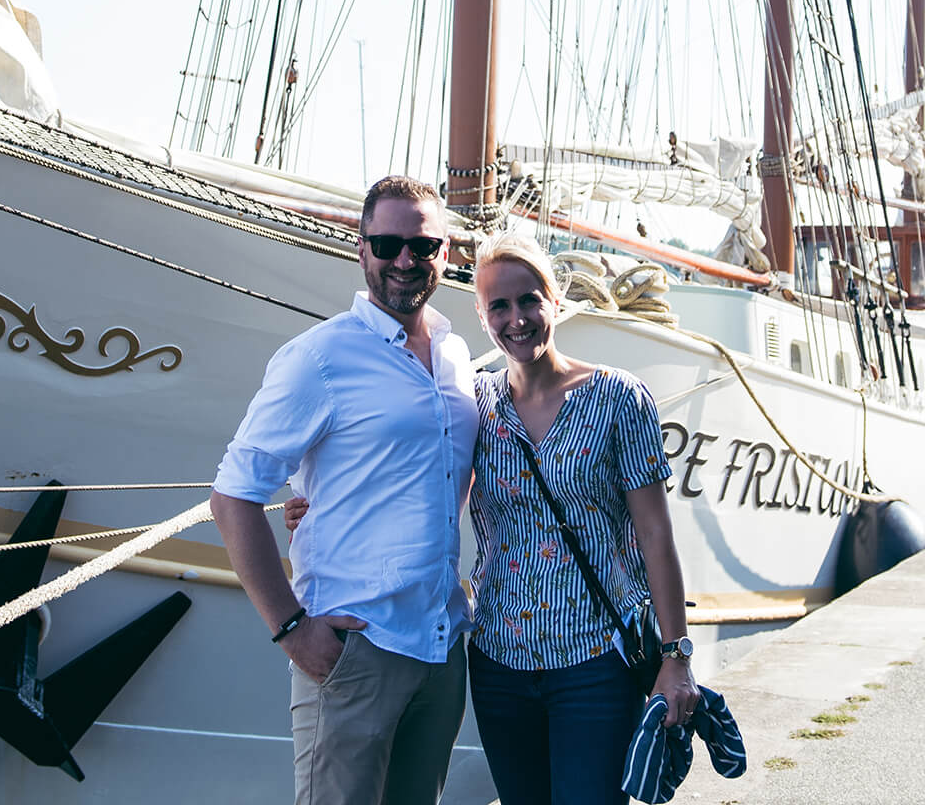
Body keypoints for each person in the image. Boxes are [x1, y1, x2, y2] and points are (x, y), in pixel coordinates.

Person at [289, 233, 700, 805]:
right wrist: (325, 507)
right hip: (499, 660)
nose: (517, 319)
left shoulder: (618, 397)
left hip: (594, 662)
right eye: (499, 307)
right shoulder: (475, 402)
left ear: (555, 302)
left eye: (529, 300)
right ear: (482, 316)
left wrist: (676, 656)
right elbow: (421, 488)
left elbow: (656, 535)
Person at [211, 175, 478, 805]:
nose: (405, 260)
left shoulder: (456, 354)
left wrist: (330, 505)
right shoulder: (320, 358)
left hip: (441, 647)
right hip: (358, 647)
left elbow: (446, 477)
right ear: (360, 250)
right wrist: (290, 629)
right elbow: (233, 495)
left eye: (422, 245)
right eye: (387, 244)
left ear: (445, 252)